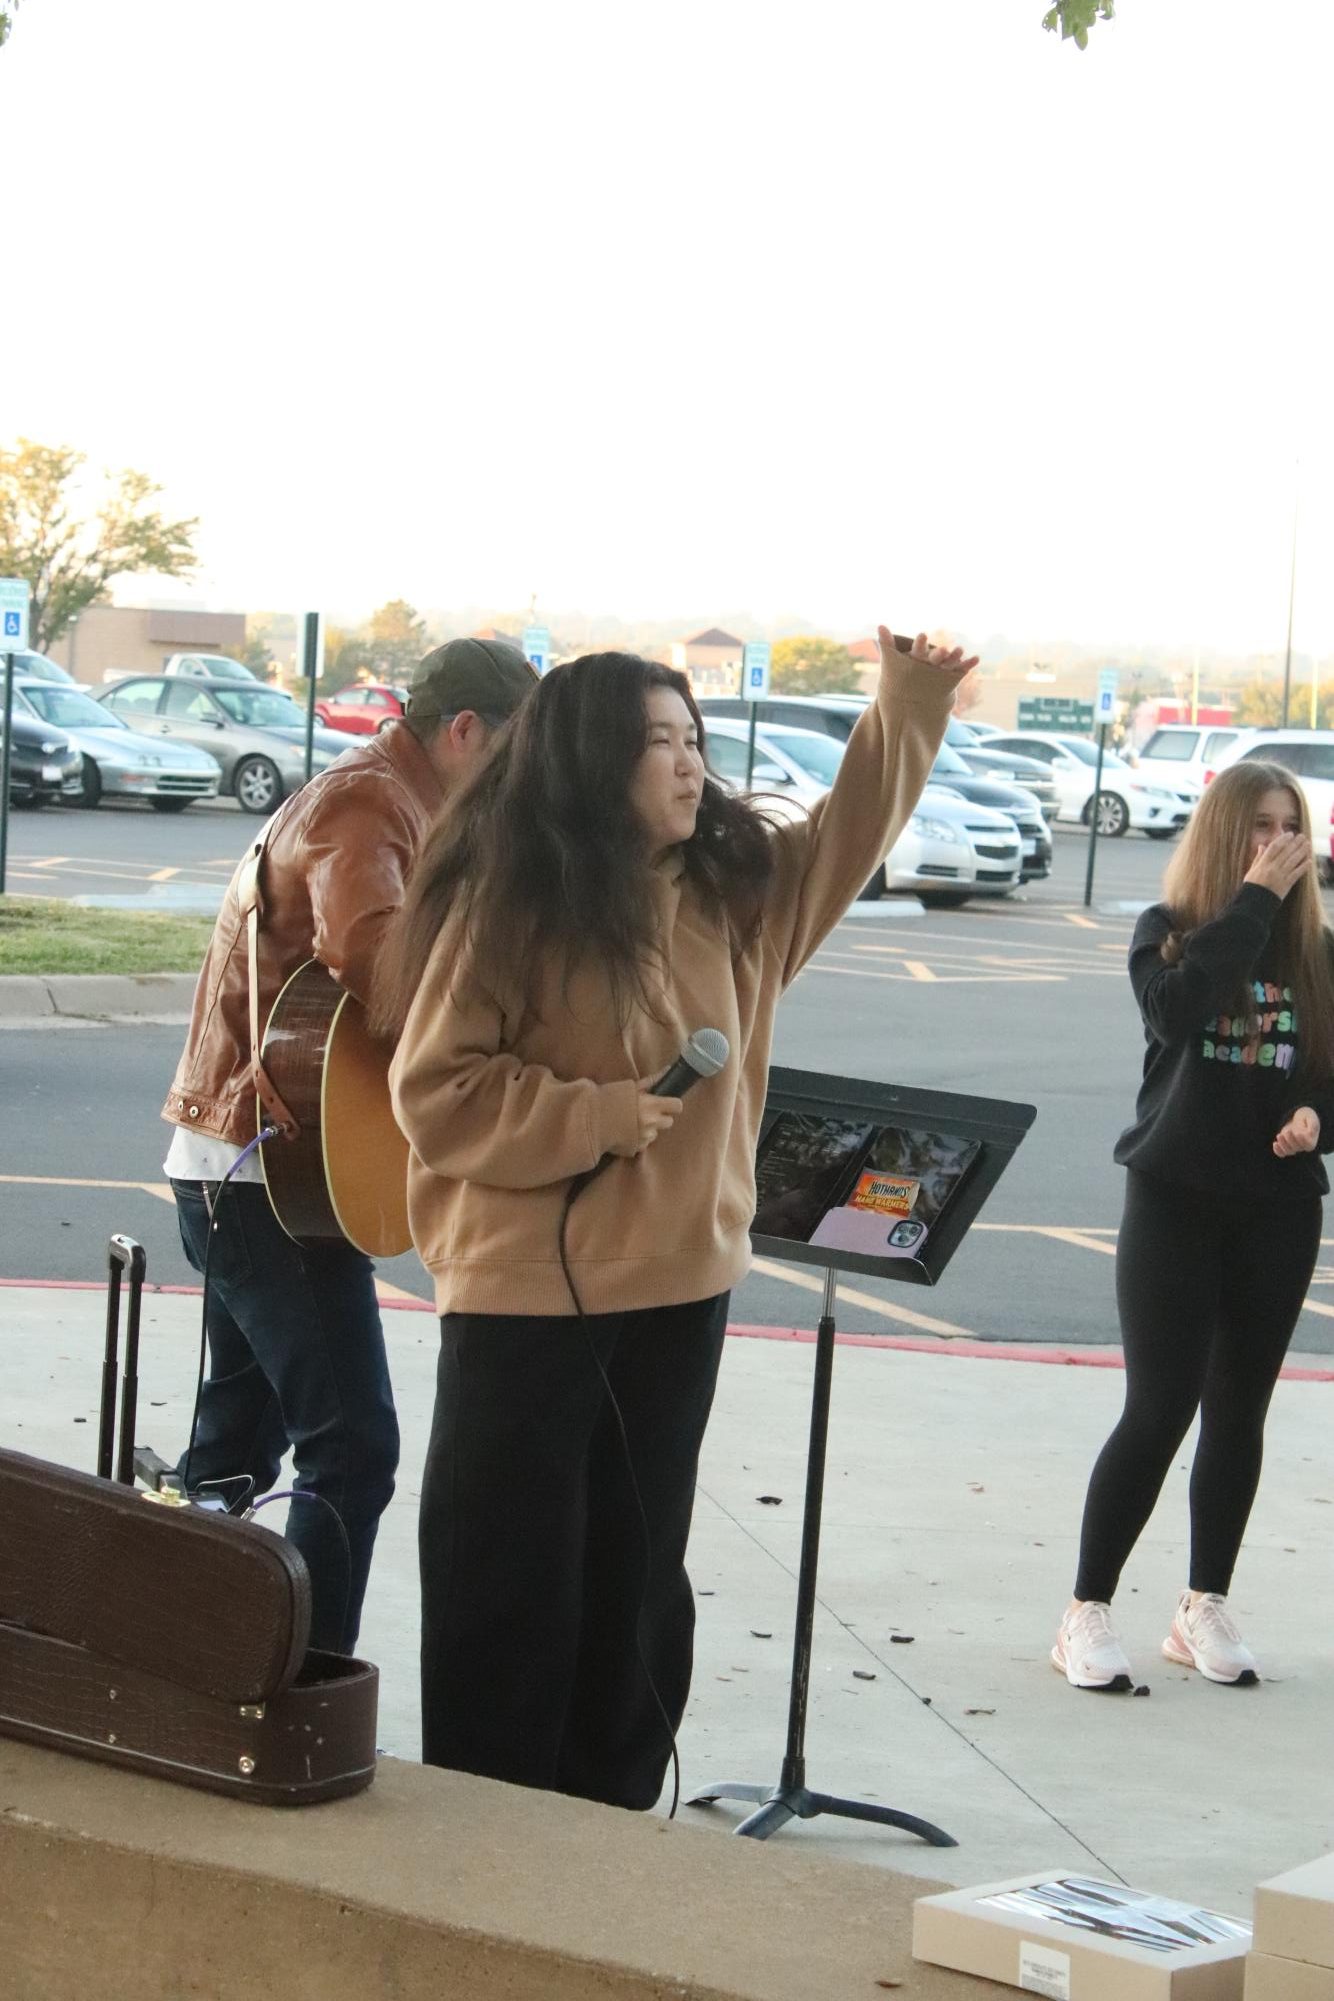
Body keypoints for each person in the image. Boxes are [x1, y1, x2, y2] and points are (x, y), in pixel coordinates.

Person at [374, 625, 975, 1805]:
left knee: (636, 1580)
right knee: (510, 1580)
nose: (689, 764)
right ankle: (488, 1839)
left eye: (695, 739)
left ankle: (607, 1830)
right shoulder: (507, 901)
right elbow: (435, 1095)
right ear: (593, 761)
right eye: (658, 744)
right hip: (524, 1299)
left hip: (681, 1288)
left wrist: (906, 699)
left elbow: (850, 830)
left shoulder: (736, 898)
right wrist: (592, 1115)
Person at [159, 638, 538, 1653]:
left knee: (236, 1452)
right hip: (262, 1179)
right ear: (464, 733)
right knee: (353, 1448)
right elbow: (380, 963)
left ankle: (186, 1656)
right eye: (515, 755)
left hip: (260, 1170)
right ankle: (304, 1681)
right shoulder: (367, 806)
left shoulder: (403, 802)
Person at [1053, 761, 1334, 1692]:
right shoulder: (1168, 938)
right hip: (1173, 1198)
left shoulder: (1318, 955)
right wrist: (1252, 901)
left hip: (1277, 1210)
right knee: (1160, 1405)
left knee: (1238, 1411)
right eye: (1258, 825)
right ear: (1224, 834)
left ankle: (1201, 1603)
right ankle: (1085, 1609)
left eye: (1288, 824)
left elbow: (1331, 1077)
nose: (1277, 841)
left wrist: (1317, 1121)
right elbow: (1177, 1016)